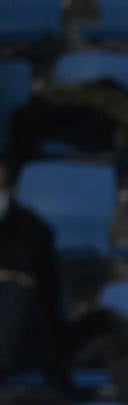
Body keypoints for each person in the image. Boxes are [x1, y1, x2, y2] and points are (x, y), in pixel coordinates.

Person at [0, 160, 63, 380]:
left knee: (13, 291)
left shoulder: (32, 228)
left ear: (12, 190)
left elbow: (33, 281)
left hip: (28, 333)